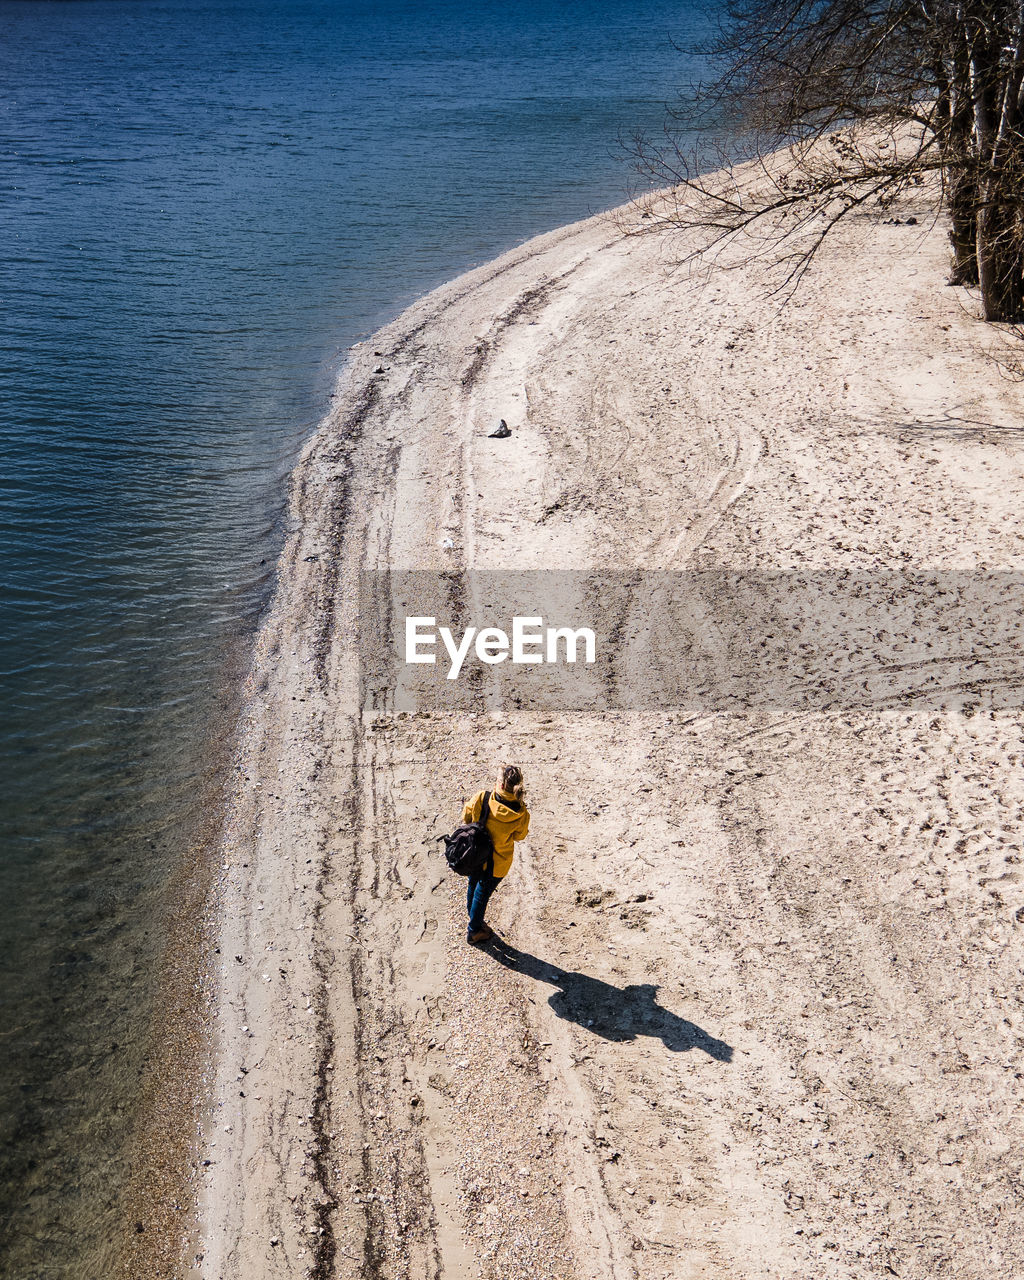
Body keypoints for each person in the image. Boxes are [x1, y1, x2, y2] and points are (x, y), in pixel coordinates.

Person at [461, 764, 530, 944]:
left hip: (474, 854)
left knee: (473, 885)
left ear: (499, 785)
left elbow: (466, 817)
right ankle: (474, 929)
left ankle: (473, 918)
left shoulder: (482, 798)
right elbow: (519, 836)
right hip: (497, 863)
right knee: (482, 894)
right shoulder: (520, 814)